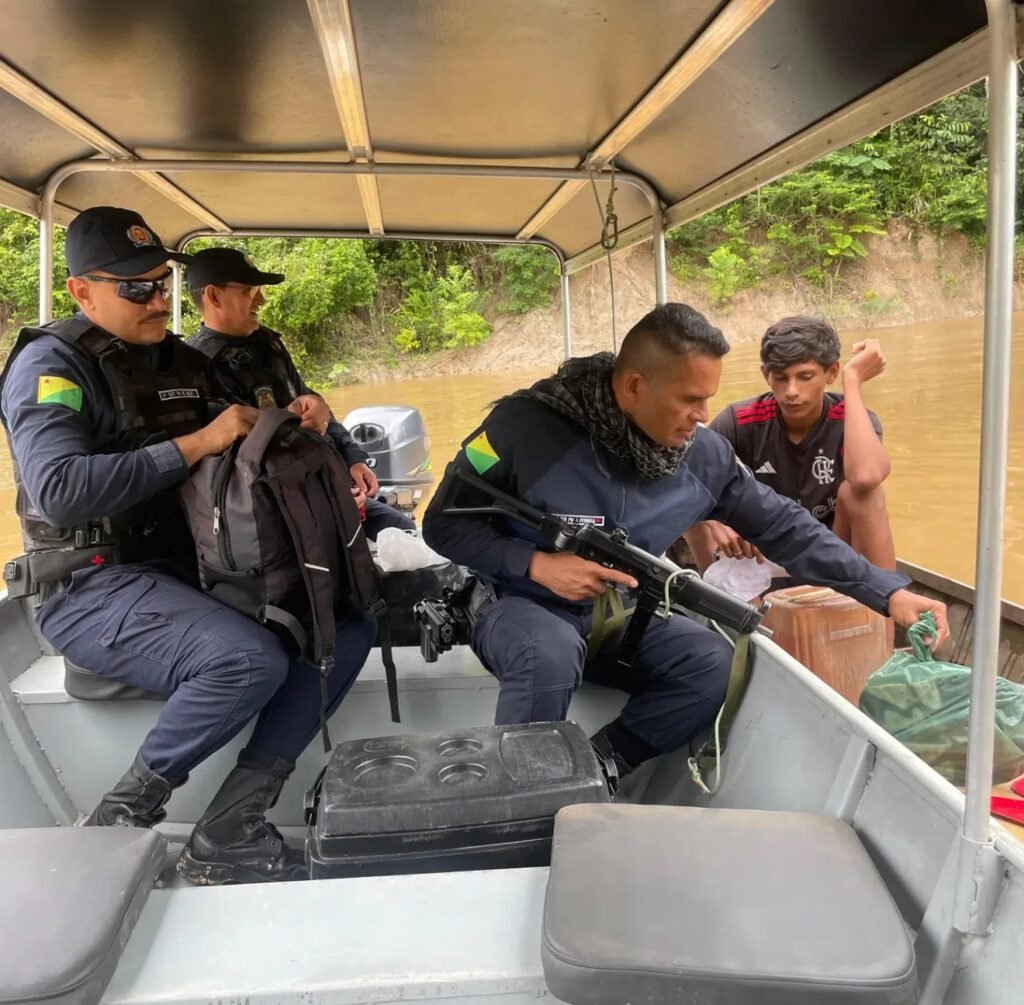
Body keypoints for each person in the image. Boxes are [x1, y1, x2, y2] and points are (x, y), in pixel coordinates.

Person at [0, 207, 375, 884]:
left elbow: (244, 430)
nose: (157, 300)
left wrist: (300, 417)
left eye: (161, 284)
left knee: (344, 622)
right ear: (82, 291)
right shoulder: (51, 366)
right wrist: (196, 443)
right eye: (136, 288)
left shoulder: (184, 361)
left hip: (186, 570)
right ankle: (120, 813)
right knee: (249, 660)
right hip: (87, 586)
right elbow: (58, 488)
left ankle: (231, 823)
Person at [422, 303, 947, 785]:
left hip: (618, 614)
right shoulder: (519, 430)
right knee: (549, 652)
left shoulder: (703, 457)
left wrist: (889, 592)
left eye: (708, 400)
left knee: (711, 663)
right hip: (519, 604)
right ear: (634, 387)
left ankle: (600, 766)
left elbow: (789, 528)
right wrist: (536, 564)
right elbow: (442, 525)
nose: (702, 414)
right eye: (690, 400)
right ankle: (522, 794)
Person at [185, 247, 415, 540]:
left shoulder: (268, 344)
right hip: (281, 511)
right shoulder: (198, 367)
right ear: (214, 296)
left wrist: (352, 458)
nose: (261, 300)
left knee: (404, 531)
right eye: (249, 290)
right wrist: (328, 494)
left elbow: (311, 404)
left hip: (326, 483)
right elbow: (248, 460)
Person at [684, 316, 895, 574]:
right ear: (766, 375)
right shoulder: (740, 421)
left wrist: (852, 380)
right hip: (759, 554)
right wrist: (712, 519)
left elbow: (865, 477)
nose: (792, 391)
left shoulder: (853, 420)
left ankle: (882, 599)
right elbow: (681, 477)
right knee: (695, 506)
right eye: (781, 378)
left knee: (865, 495)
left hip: (830, 555)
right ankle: (716, 596)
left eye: (805, 377)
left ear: (831, 372)